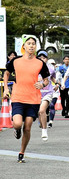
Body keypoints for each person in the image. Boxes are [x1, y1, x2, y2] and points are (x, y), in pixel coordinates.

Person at [2, 34, 50, 163]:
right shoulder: (16, 61)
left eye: (33, 44)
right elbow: (6, 74)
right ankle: (17, 130)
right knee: (17, 124)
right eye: (28, 43)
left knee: (27, 127)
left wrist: (42, 84)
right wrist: (6, 89)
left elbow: (46, 80)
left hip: (33, 99)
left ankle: (22, 152)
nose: (31, 45)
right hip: (18, 97)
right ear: (24, 46)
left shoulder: (40, 63)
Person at [36, 50, 57, 141]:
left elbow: (53, 78)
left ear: (47, 59)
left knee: (42, 110)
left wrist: (57, 84)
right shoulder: (34, 68)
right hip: (36, 93)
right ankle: (42, 124)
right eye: (40, 58)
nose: (42, 59)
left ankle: (44, 131)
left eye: (44, 58)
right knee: (38, 113)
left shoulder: (50, 68)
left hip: (48, 92)